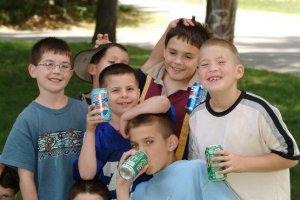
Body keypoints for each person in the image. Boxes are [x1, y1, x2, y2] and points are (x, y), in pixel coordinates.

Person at [188, 38, 300, 199]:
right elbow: (197, 167)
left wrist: (241, 163)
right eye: (205, 65)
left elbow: (290, 156)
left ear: (238, 71)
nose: (212, 68)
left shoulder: (258, 110)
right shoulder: (197, 116)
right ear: (199, 75)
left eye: (221, 62)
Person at [0, 37, 88, 200]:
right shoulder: (27, 119)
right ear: (33, 70)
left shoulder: (84, 111)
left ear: (70, 73)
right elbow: (25, 176)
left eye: (64, 66)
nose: (57, 71)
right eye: (49, 64)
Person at [73, 63, 171, 199]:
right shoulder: (98, 131)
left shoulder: (147, 122)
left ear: (138, 92)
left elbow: (164, 102)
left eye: (130, 89)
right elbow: (86, 175)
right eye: (116, 90)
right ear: (103, 96)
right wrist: (89, 131)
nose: (124, 95)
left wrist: (127, 116)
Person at [133, 17, 211, 159]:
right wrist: (170, 27)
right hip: (136, 164)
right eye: (172, 53)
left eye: (188, 56)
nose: (177, 61)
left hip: (178, 170)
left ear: (201, 60)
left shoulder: (204, 93)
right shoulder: (147, 78)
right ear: (164, 51)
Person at [116, 113, 239, 200]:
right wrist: (122, 187)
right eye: (135, 145)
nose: (141, 151)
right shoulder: (141, 192)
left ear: (171, 143)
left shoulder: (196, 170)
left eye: (149, 142)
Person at [74, 18, 194, 105]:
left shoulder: (131, 85)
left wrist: (170, 28)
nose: (118, 67)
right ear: (92, 69)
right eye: (112, 61)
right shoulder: (79, 104)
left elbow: (154, 60)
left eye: (124, 64)